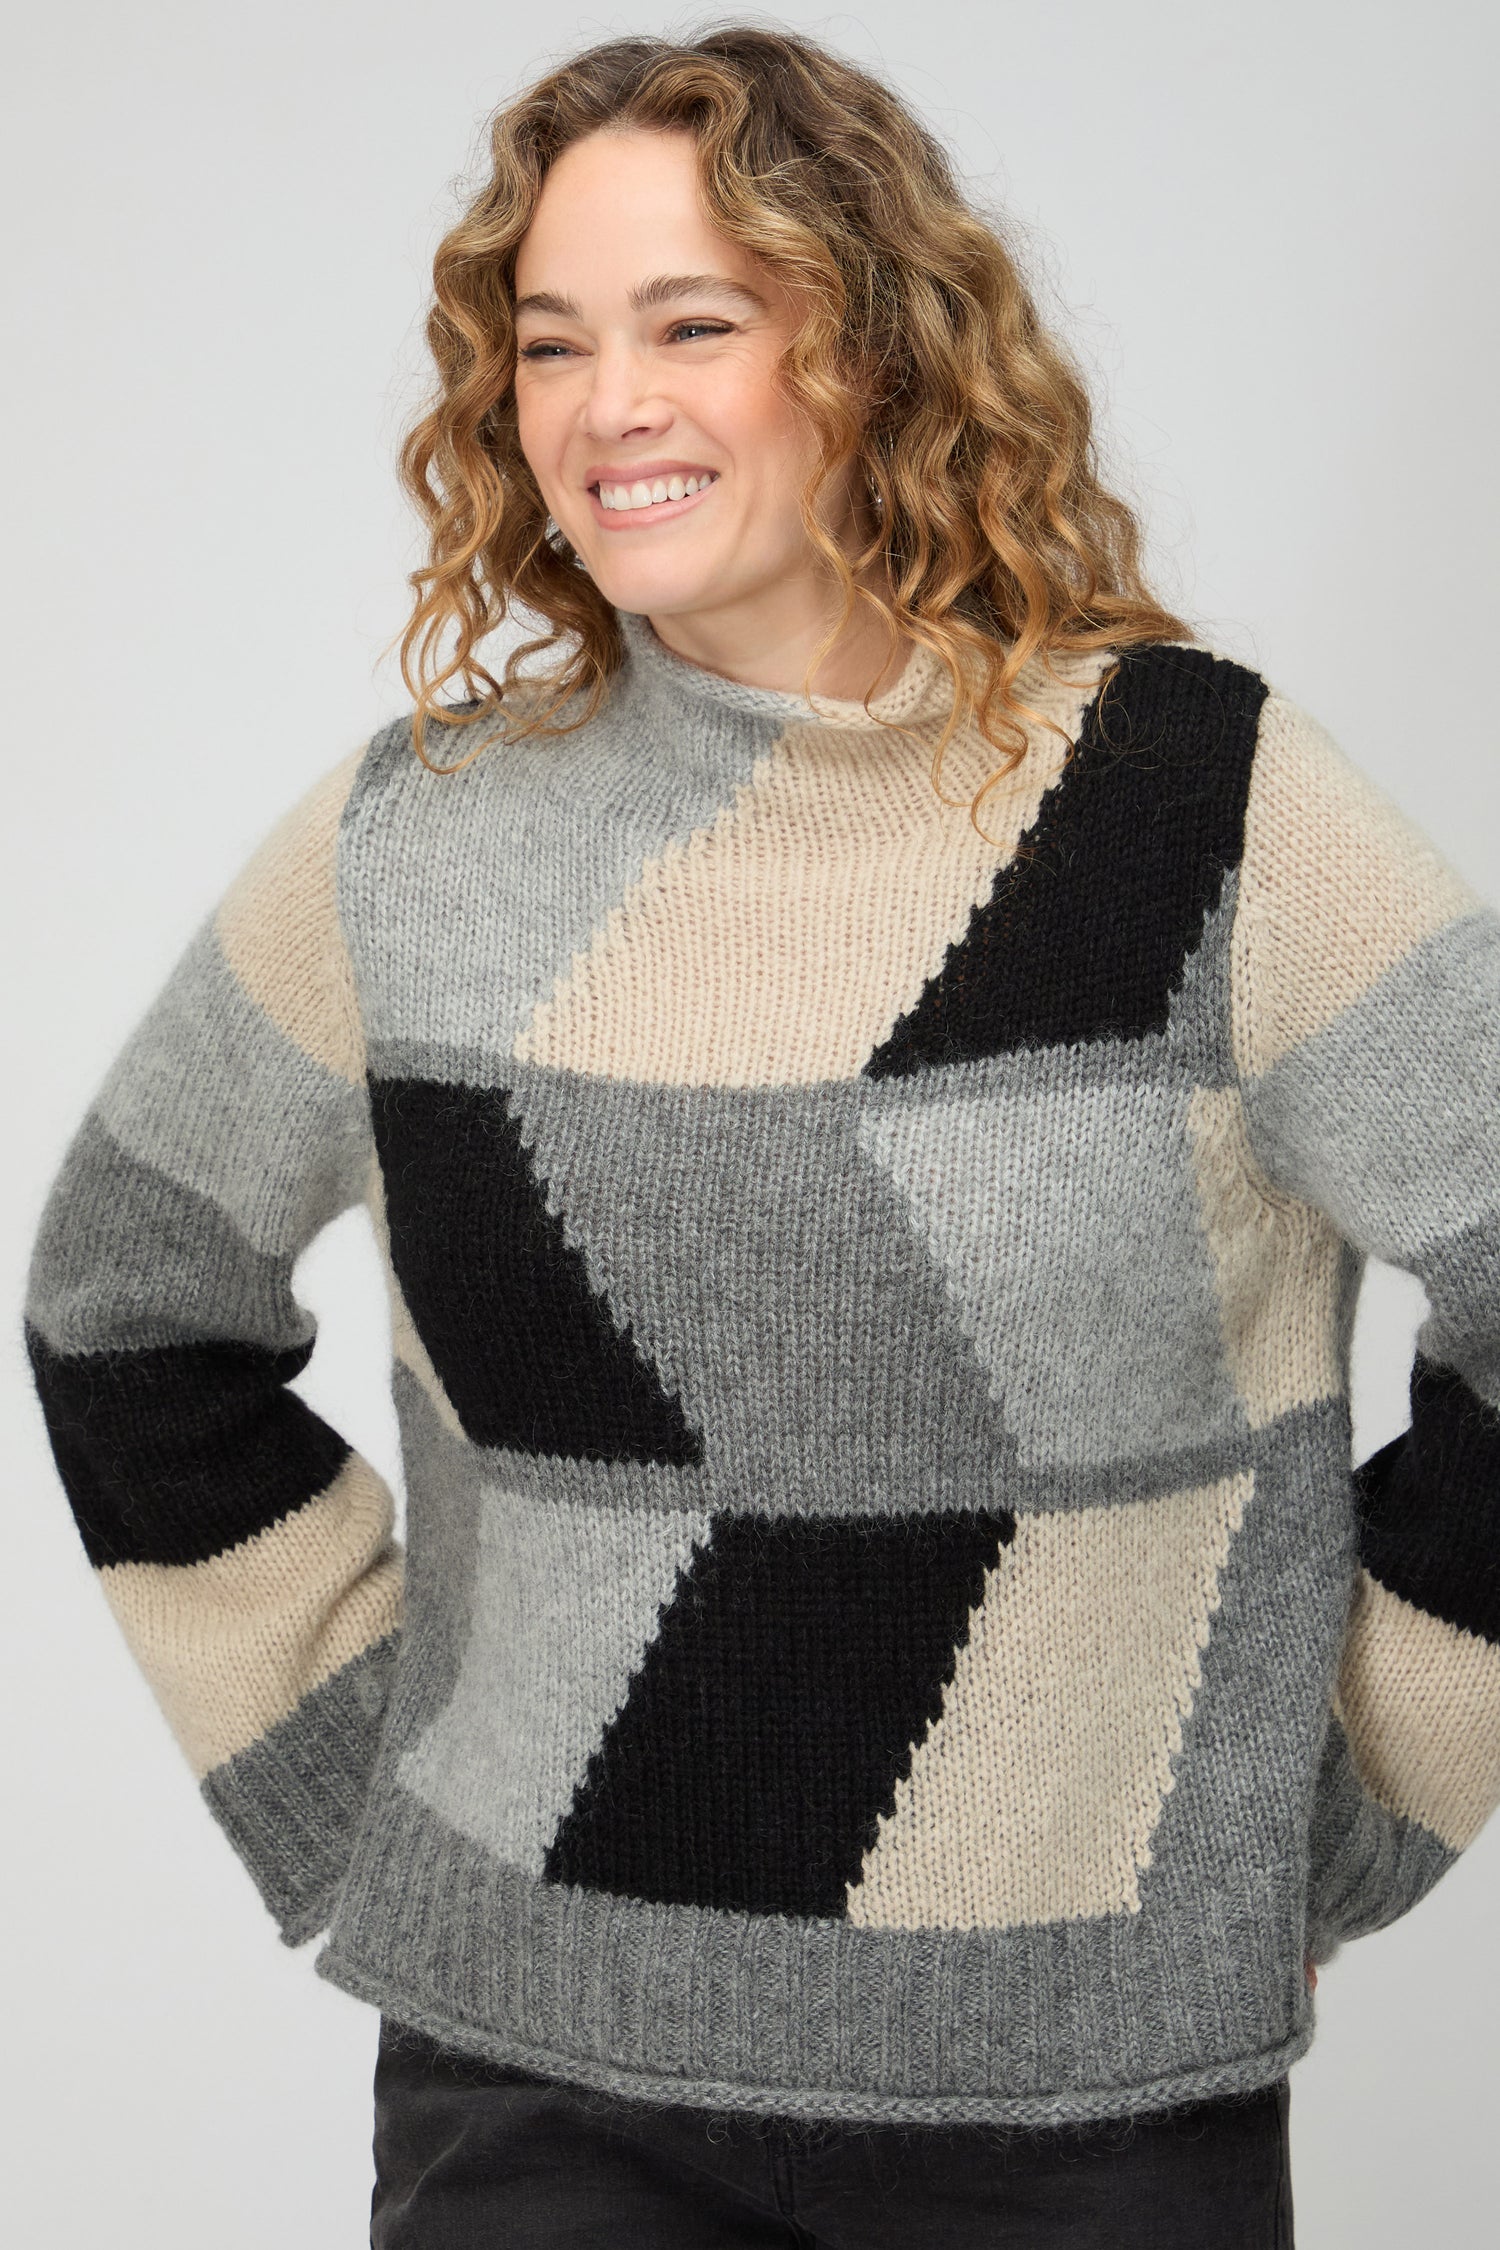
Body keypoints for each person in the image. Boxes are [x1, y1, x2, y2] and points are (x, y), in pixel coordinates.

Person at [22, 23, 1499, 2250]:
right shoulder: (416, 847)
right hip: (534, 2112)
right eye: (550, 342)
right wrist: (346, 1786)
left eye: (692, 322)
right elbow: (126, 1304)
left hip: (1088, 2123)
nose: (606, 401)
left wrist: (1352, 1796)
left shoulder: (1195, 806)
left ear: (879, 347)